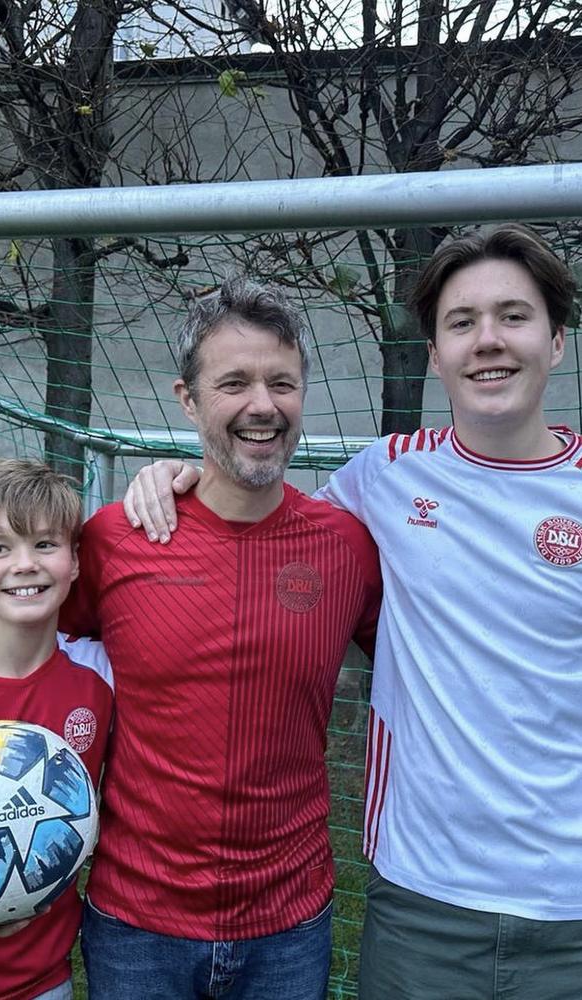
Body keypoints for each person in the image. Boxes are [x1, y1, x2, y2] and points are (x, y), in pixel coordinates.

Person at [125, 224, 582, 1000]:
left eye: (514, 316)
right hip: (422, 898)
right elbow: (259, 513)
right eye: (462, 323)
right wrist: (178, 473)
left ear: (557, 341)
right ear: (436, 354)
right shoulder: (383, 479)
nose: (489, 341)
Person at [59, 276, 382, 1000]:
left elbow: (423, 662)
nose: (262, 405)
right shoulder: (118, 538)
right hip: (137, 923)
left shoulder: (348, 546)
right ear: (188, 399)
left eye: (282, 382)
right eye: (233, 382)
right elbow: (32, 658)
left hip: (290, 924)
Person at [0, 458, 114, 1000]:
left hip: (40, 981)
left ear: (76, 562)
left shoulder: (103, 675)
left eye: (44, 544)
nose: (24, 565)